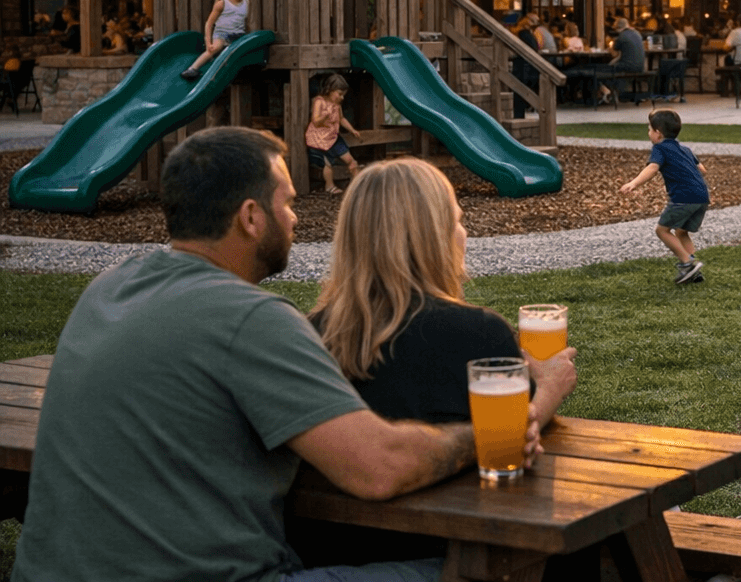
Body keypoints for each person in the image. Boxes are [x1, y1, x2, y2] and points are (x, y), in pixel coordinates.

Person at [12, 127, 491, 582]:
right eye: (286, 203)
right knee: (487, 571)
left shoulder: (110, 287)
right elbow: (379, 468)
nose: (295, 217)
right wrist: (491, 434)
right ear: (250, 217)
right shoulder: (248, 317)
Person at [300, 158, 578, 568]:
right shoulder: (477, 333)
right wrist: (552, 385)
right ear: (434, 235)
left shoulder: (307, 335)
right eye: (458, 221)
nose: (464, 234)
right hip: (446, 557)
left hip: (326, 551)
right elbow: (517, 435)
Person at [619, 107, 709, 284]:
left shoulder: (660, 148)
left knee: (662, 230)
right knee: (681, 232)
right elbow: (703, 170)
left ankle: (688, 263)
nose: (649, 133)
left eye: (649, 129)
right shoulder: (686, 150)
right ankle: (694, 272)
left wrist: (634, 183)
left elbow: (652, 168)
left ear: (658, 134)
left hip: (683, 197)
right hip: (702, 196)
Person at [183, 0, 249, 81]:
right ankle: (193, 68)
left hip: (237, 34)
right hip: (222, 34)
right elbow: (209, 23)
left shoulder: (246, 1)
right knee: (215, 48)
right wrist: (208, 42)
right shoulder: (222, 3)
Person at [307, 73, 362, 194]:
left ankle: (356, 186)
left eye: (343, 95)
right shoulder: (319, 101)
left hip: (334, 137)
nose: (342, 98)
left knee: (352, 161)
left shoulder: (337, 105)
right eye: (340, 94)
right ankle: (329, 186)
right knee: (327, 164)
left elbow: (341, 119)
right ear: (329, 90)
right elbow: (315, 121)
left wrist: (352, 130)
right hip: (320, 139)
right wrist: (324, 115)